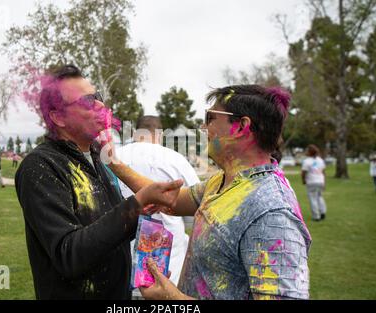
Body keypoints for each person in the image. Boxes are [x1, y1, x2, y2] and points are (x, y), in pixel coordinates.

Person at [106, 85, 312, 300]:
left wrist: (173, 299)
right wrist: (113, 162)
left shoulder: (272, 213)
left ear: (241, 127)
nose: (204, 127)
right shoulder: (225, 181)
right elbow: (173, 200)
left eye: (211, 117)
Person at [14, 64, 183, 300]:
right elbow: (69, 255)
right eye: (87, 101)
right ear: (58, 117)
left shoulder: (98, 157)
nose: (101, 106)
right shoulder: (40, 166)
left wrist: (141, 211)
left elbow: (106, 229)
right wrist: (135, 205)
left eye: (98, 97)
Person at [116, 115, 200, 295]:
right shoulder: (177, 160)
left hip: (118, 267)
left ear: (135, 133)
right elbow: (195, 217)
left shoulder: (114, 158)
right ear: (160, 134)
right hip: (167, 275)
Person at [301, 145, 327, 221]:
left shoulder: (307, 161)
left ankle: (316, 216)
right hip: (320, 181)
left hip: (312, 182)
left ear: (309, 152)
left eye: (307, 150)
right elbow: (323, 172)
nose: (306, 152)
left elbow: (303, 172)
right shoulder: (320, 160)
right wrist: (324, 182)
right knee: (319, 196)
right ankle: (323, 212)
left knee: (313, 198)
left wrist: (303, 180)